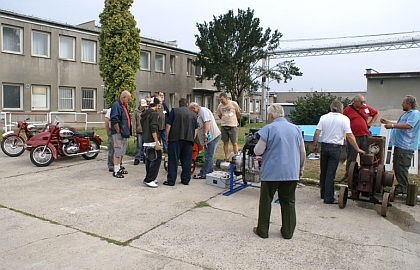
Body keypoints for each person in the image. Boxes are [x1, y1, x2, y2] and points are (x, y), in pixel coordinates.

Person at [252, 104, 305, 239]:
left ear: (271, 116)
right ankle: (287, 232)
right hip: (291, 171)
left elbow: (258, 150)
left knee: (266, 201)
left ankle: (262, 230)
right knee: (288, 201)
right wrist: (301, 168)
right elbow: (302, 152)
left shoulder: (268, 129)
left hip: (272, 172)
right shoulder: (296, 129)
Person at [313, 100, 365, 204]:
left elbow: (317, 132)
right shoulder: (344, 119)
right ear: (341, 109)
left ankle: (323, 193)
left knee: (324, 171)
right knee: (330, 173)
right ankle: (329, 197)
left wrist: (315, 145)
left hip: (324, 146)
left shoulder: (324, 117)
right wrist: (357, 148)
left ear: (331, 108)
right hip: (335, 147)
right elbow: (349, 135)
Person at [380, 95, 420, 195]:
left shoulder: (415, 114)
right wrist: (388, 122)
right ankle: (401, 185)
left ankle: (404, 188)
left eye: (403, 102)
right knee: (397, 166)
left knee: (402, 167)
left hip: (406, 146)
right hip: (399, 145)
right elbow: (401, 124)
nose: (402, 104)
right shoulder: (406, 114)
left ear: (409, 104)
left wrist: (392, 125)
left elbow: (408, 125)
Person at [342, 94, 379, 180]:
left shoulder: (366, 108)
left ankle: (365, 174)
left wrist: (371, 123)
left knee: (365, 155)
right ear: (354, 102)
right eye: (361, 102)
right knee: (351, 156)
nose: (363, 103)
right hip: (353, 136)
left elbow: (376, 113)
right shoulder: (347, 110)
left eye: (363, 101)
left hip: (365, 135)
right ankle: (349, 174)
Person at [164, 98, 198, 186]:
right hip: (188, 140)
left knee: (173, 160)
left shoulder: (174, 111)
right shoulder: (193, 114)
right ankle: (185, 180)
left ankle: (171, 181)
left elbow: (168, 125)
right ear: (187, 105)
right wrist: (192, 139)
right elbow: (196, 129)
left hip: (175, 139)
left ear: (179, 104)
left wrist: (167, 137)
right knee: (186, 161)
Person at [188, 102, 221, 179]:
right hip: (208, 138)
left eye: (191, 111)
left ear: (194, 108)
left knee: (209, 155)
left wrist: (205, 134)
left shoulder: (203, 111)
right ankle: (209, 171)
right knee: (208, 155)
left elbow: (207, 122)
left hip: (211, 136)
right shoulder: (199, 113)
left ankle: (205, 173)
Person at [140, 97, 162, 188]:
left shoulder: (145, 114)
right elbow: (153, 129)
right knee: (156, 160)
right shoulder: (153, 114)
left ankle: (150, 178)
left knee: (149, 160)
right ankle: (149, 179)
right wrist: (157, 142)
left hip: (146, 141)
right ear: (157, 105)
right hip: (152, 141)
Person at [110, 90, 132, 178]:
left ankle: (119, 168)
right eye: (128, 98)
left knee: (121, 152)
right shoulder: (116, 105)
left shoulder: (123, 106)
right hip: (118, 133)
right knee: (118, 151)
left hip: (123, 132)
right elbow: (114, 119)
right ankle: (115, 170)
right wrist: (118, 130)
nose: (129, 100)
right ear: (123, 97)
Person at [216, 92, 241, 161]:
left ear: (226, 98)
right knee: (225, 142)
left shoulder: (233, 104)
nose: (221, 101)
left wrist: (234, 119)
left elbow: (238, 113)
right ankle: (226, 157)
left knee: (234, 142)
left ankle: (236, 157)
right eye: (220, 100)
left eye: (222, 99)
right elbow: (219, 115)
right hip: (224, 125)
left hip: (232, 125)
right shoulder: (220, 106)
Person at [104, 108, 123, 172]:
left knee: (120, 149)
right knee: (112, 149)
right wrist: (108, 131)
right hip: (113, 131)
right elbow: (106, 120)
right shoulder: (111, 110)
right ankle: (111, 165)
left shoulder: (123, 109)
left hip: (121, 132)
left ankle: (118, 164)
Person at [132, 99, 148, 165]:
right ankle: (137, 158)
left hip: (145, 131)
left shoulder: (146, 111)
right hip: (139, 131)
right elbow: (134, 122)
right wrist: (134, 131)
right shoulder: (136, 112)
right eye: (143, 106)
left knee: (145, 145)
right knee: (139, 145)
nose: (144, 107)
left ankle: (145, 158)